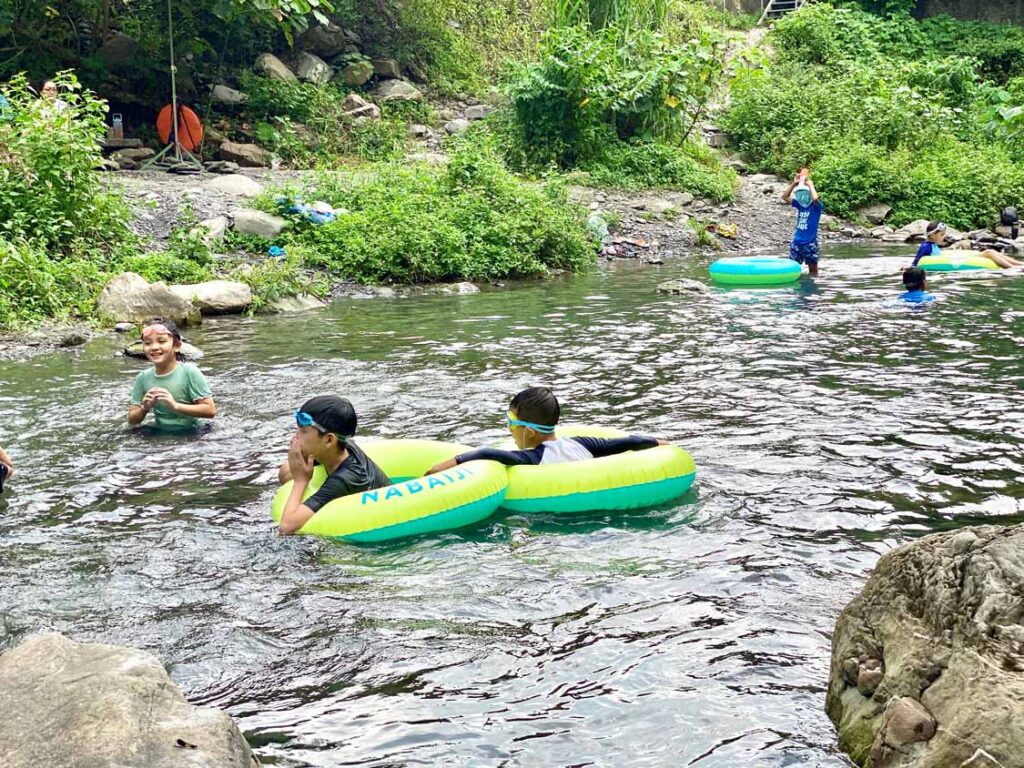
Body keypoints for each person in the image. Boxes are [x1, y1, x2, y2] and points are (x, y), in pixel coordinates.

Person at [426, 386, 668, 474]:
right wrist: (658, 443)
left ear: (529, 431)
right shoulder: (582, 444)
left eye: (511, 422)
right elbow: (624, 442)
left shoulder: (533, 458)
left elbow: (487, 454)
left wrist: (440, 467)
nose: (509, 428)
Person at [277, 396, 392, 535]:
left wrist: (301, 481)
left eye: (303, 431)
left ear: (329, 439)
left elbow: (286, 527)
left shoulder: (346, 478)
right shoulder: (333, 451)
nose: (295, 436)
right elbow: (284, 472)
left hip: (382, 528)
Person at [128, 318, 216, 431]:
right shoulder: (143, 377)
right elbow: (132, 420)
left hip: (193, 433)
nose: (154, 347)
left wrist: (175, 406)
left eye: (162, 341)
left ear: (177, 346)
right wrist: (145, 408)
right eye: (148, 343)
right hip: (160, 431)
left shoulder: (189, 372)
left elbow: (210, 410)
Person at [913, 221, 1021, 268]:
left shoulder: (932, 245)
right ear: (932, 235)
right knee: (989, 252)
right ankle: (1012, 267)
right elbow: (918, 261)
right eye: (941, 235)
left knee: (991, 251)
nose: (944, 237)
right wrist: (911, 267)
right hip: (945, 262)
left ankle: (1019, 264)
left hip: (952, 259)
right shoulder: (926, 246)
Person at [782, 167, 823, 277]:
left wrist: (810, 185)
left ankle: (812, 286)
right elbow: (785, 196)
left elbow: (815, 199)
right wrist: (794, 183)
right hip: (797, 243)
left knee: (813, 270)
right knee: (793, 268)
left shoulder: (816, 207)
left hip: (809, 243)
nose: (802, 197)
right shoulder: (800, 205)